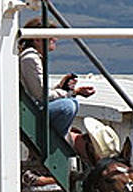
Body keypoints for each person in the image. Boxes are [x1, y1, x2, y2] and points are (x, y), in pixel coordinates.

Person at [19, 17, 96, 146]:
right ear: (37, 39)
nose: (55, 39)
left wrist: (61, 87)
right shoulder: (30, 58)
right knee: (68, 106)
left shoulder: (33, 57)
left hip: (33, 106)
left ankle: (54, 140)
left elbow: (37, 91)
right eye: (50, 36)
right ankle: (53, 143)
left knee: (72, 103)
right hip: (30, 110)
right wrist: (71, 92)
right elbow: (40, 95)